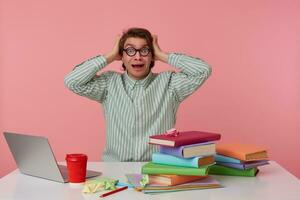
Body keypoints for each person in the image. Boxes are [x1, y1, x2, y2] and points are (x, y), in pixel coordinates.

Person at [64, 27, 212, 162]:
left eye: (145, 50)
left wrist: (162, 55)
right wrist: (109, 56)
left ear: (151, 55)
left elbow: (203, 70)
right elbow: (72, 81)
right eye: (130, 51)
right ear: (121, 56)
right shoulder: (108, 83)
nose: (138, 57)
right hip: (115, 170)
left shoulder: (170, 84)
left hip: (157, 169)